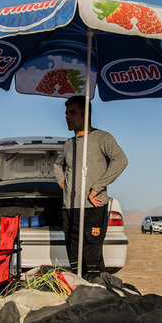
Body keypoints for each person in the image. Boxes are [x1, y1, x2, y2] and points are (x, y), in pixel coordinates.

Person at [53, 96, 127, 279]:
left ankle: (96, 291)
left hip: (93, 206)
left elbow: (121, 160)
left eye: (73, 112)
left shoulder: (103, 138)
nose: (67, 117)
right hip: (70, 207)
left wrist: (97, 187)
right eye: (66, 113)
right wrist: (63, 183)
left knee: (91, 253)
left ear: (86, 115)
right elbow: (57, 165)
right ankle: (80, 290)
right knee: (73, 254)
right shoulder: (68, 145)